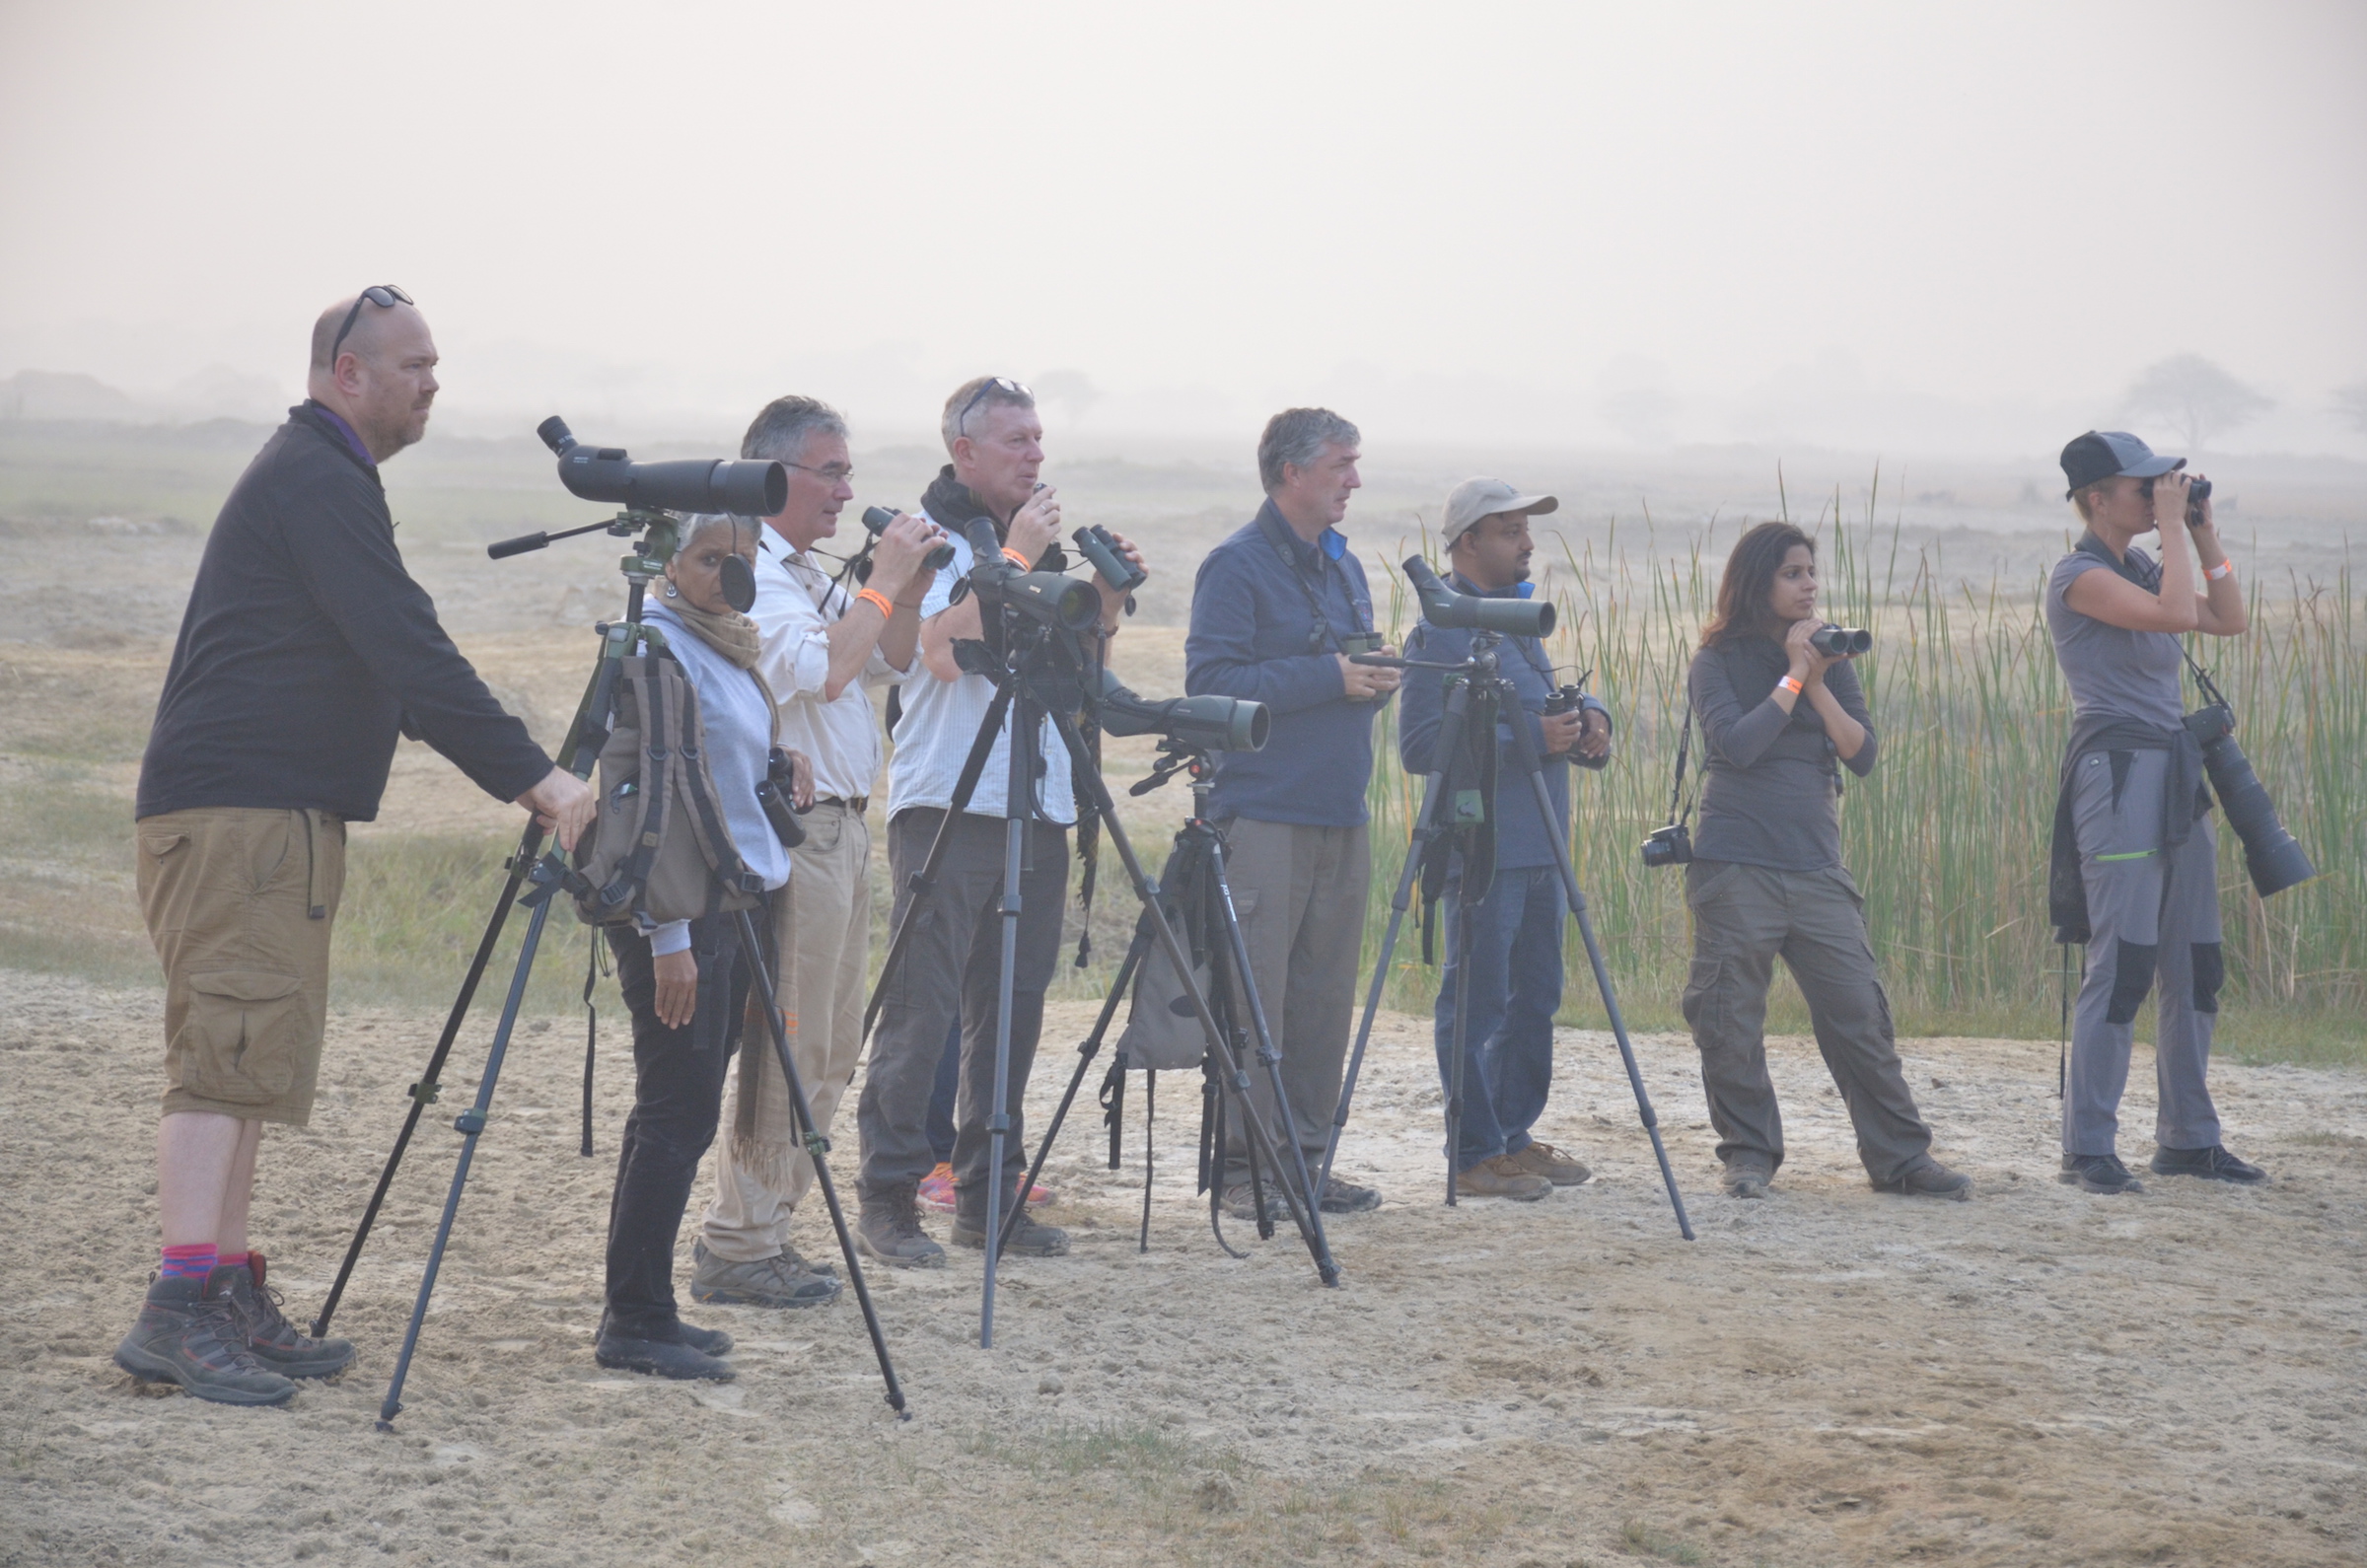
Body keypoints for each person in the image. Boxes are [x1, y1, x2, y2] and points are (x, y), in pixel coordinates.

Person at [115, 288, 595, 1405]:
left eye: (437, 364)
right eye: (413, 364)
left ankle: (223, 1283)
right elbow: (405, 646)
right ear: (347, 372)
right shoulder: (316, 478)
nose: (433, 382)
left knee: (252, 1063)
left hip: (272, 816)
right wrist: (538, 780)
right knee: (221, 1056)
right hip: (239, 815)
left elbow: (391, 656)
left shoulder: (328, 477)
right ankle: (176, 1311)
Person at [853, 377, 1141, 1266]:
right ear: (964, 453)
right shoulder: (924, 543)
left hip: (1037, 802)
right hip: (949, 802)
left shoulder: (1038, 549)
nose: (1035, 456)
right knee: (922, 1010)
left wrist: (1104, 595)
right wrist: (1016, 559)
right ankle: (890, 1199)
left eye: (1040, 439)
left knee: (1010, 1013)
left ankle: (986, 1196)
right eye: (1016, 441)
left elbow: (1073, 672)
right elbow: (937, 655)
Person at [686, 396, 945, 1311]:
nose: (845, 490)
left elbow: (892, 660)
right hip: (794, 833)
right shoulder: (751, 574)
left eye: (846, 471)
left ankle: (767, 1234)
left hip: (842, 827)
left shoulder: (806, 571)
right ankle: (738, 1241)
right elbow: (826, 670)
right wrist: (881, 580)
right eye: (829, 472)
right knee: (788, 1041)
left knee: (832, 1043)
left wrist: (905, 588)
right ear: (773, 475)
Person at [1682, 521, 1970, 1202]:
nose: (1810, 585)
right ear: (1757, 581)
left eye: (1812, 572)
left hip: (1816, 866)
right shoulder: (1715, 661)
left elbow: (1861, 754)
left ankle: (1901, 1159)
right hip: (1736, 864)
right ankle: (1748, 1156)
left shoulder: (1833, 658)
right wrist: (1791, 674)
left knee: (1858, 1017)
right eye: (1793, 573)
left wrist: (1815, 680)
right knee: (1729, 1020)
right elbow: (1738, 746)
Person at [598, 512, 803, 1379]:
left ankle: (647, 1307)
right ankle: (634, 1321)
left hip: (732, 903)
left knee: (674, 1114)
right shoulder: (657, 645)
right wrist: (668, 934)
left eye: (742, 560)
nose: (729, 574)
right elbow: (644, 803)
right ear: (668, 564)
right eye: (709, 559)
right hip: (680, 916)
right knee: (675, 1116)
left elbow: (714, 775)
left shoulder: (726, 644)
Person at [1184, 407, 1399, 1218]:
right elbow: (1210, 686)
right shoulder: (1235, 566)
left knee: (1320, 999)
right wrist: (1331, 679)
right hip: (1264, 815)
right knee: (1256, 1001)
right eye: (1342, 464)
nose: (1354, 479)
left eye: (1355, 461)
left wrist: (1374, 680)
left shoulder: (1340, 567)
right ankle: (1245, 1174)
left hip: (1339, 810)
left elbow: (1342, 670)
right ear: (1291, 474)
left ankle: (1304, 1163)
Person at [2045, 431, 2263, 1195]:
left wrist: (2202, 532)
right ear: (2097, 498)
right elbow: (2175, 617)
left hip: (2175, 769)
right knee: (2126, 957)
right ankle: (2089, 1147)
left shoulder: (2143, 561)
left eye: (2159, 484)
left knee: (2195, 960)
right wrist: (2173, 528)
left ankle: (2189, 1140)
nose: (2154, 493)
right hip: (2119, 773)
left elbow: (2225, 617)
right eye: (2142, 487)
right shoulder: (2079, 577)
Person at [1398, 478, 1613, 1201]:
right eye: (1510, 530)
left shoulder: (1518, 620)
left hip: (1543, 845)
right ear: (1467, 543)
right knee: (1478, 1002)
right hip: (1484, 852)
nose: (1527, 543)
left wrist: (1589, 721)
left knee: (1535, 999)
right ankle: (1474, 1152)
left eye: (1527, 529)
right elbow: (1423, 743)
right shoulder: (1441, 629)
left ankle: (1513, 1138)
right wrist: (1530, 736)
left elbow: (1548, 699)